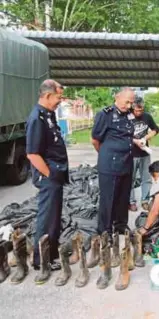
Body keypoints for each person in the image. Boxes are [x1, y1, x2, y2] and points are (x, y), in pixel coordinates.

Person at [26, 79, 68, 284]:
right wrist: (49, 174)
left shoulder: (48, 115)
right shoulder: (36, 118)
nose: (60, 101)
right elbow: (33, 154)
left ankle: (50, 255)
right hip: (49, 177)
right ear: (47, 95)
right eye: (59, 97)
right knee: (46, 218)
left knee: (54, 218)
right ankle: (40, 260)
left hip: (57, 174)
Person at [91, 88, 143, 237]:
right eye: (126, 102)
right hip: (110, 164)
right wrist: (105, 155)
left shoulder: (129, 115)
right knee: (108, 199)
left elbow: (125, 136)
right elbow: (95, 140)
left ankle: (121, 225)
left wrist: (135, 142)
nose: (128, 106)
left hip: (126, 162)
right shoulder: (105, 114)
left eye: (131, 103)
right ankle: (104, 230)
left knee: (123, 197)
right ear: (117, 97)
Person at [129, 97, 159, 212]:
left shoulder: (147, 116)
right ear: (133, 108)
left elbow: (155, 129)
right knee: (130, 179)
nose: (139, 113)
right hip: (131, 153)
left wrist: (145, 138)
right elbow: (122, 134)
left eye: (141, 110)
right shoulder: (127, 117)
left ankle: (145, 201)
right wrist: (135, 141)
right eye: (136, 110)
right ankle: (131, 202)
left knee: (146, 178)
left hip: (144, 153)